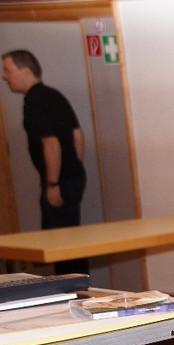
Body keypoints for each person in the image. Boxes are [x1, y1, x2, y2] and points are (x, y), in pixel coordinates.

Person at [2, 49, 89, 275]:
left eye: (8, 71)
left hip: (59, 182)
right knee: (72, 239)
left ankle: (71, 289)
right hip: (72, 177)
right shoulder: (53, 95)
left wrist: (53, 183)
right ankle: (78, 285)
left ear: (25, 70)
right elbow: (77, 135)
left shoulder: (34, 102)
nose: (4, 76)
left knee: (62, 245)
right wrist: (73, 167)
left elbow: (51, 144)